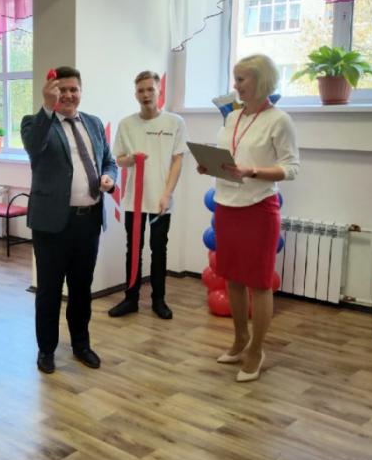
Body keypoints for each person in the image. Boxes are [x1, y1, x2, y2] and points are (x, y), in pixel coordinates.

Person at [198, 54, 299, 382]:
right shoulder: (232, 118)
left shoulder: (279, 120)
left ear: (261, 80)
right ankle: (240, 338)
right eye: (236, 78)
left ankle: (256, 349)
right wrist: (210, 165)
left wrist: (252, 171)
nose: (236, 85)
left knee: (259, 283)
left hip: (258, 209)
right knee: (233, 279)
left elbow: (291, 168)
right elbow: (232, 158)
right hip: (226, 206)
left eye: (242, 79)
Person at [22, 66, 118, 375]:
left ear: (80, 91)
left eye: (73, 89)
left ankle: (81, 344)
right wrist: (46, 107)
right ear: (52, 92)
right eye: (61, 90)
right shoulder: (36, 123)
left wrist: (109, 177)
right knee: (49, 292)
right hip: (51, 225)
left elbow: (109, 161)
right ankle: (46, 350)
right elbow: (34, 146)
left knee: (81, 289)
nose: (68, 95)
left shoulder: (93, 123)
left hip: (88, 222)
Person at [110, 71, 187, 320]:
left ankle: (158, 300)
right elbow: (119, 160)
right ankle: (131, 299)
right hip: (133, 200)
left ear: (159, 91)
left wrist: (167, 194)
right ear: (135, 94)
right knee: (133, 249)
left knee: (159, 249)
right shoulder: (126, 124)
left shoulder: (175, 122)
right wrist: (130, 159)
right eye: (141, 90)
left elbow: (178, 160)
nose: (146, 95)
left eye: (150, 89)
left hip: (161, 200)